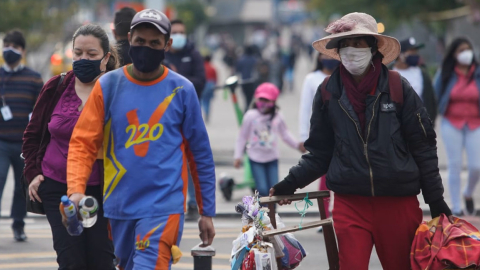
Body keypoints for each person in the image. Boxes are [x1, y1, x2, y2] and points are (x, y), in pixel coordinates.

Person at [270, 12, 453, 270]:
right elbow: (320, 153)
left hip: (398, 203)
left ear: (373, 48)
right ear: (338, 50)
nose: (352, 51)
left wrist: (436, 200)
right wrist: (290, 183)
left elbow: (423, 146)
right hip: (349, 203)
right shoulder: (327, 93)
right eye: (346, 44)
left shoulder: (399, 87)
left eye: (359, 43)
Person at [65, 9, 216, 270]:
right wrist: (76, 191)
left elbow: (199, 153)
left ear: (167, 45)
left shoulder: (182, 90)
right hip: (119, 205)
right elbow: (83, 143)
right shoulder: (107, 86)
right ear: (129, 39)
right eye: (140, 41)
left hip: (164, 206)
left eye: (154, 43)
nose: (146, 48)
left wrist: (206, 211)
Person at [22, 24, 117, 269]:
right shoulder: (57, 86)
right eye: (78, 53)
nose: (83, 59)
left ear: (105, 58)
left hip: (103, 190)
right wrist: (33, 174)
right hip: (58, 189)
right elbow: (32, 135)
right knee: (70, 260)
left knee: (102, 259)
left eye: (92, 54)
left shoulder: (116, 89)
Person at [0, 29, 43, 242]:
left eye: (14, 47)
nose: (9, 50)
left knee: (20, 187)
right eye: (6, 45)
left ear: (23, 51)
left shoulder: (34, 79)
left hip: (24, 144)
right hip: (1, 142)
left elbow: (42, 110)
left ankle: (19, 226)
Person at [434, 37, 480, 216]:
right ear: (454, 54)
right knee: (455, 165)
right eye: (461, 50)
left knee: (476, 166)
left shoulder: (477, 73)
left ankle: (467, 193)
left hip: (475, 123)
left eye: (467, 49)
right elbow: (435, 95)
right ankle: (456, 206)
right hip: (451, 122)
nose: (465, 54)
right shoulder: (446, 73)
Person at [234, 83, 304, 197]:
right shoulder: (250, 116)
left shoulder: (277, 116)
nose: (264, 103)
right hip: (255, 158)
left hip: (272, 158)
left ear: (274, 101)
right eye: (262, 99)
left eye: (268, 100)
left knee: (274, 190)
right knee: (262, 189)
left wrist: (297, 145)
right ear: (256, 99)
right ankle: (263, 213)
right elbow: (242, 136)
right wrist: (238, 156)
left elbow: (285, 134)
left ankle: (273, 213)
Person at [298, 53, 340, 228]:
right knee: (324, 179)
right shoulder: (311, 79)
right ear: (319, 58)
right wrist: (303, 136)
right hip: (322, 137)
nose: (329, 58)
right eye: (325, 55)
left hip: (342, 135)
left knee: (342, 180)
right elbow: (305, 108)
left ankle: (339, 217)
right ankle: (325, 219)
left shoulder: (344, 77)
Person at [393, 37, 437, 124]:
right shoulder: (388, 73)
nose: (415, 54)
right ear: (400, 54)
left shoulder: (422, 73)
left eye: (416, 51)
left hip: (419, 124)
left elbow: (431, 100)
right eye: (411, 51)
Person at [164, 19, 206, 99]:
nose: (178, 36)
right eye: (175, 33)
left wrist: (176, 76)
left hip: (189, 102)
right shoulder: (162, 55)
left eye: (181, 33)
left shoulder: (194, 54)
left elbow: (200, 82)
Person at [236, 45, 258, 111]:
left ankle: (246, 108)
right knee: (250, 97)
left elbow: (238, 70)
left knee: (245, 97)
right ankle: (247, 108)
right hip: (252, 81)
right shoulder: (255, 60)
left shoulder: (241, 60)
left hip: (243, 81)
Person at [201, 54, 217, 123]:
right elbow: (215, 78)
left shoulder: (201, 67)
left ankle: (202, 113)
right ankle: (207, 113)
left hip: (204, 84)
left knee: (202, 100)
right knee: (208, 101)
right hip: (211, 84)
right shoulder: (212, 68)